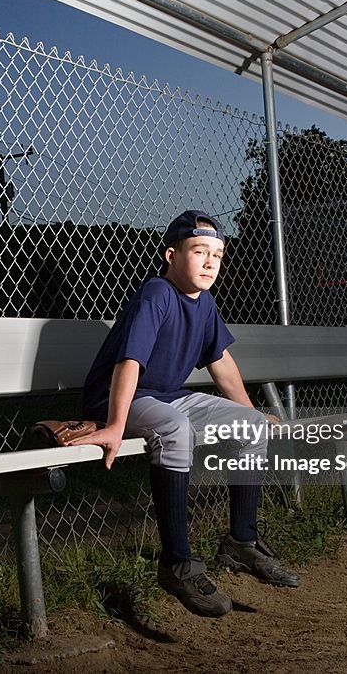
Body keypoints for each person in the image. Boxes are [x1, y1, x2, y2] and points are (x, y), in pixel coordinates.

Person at [67, 209, 299, 618]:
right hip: (117, 396)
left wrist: (249, 411)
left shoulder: (204, 302)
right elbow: (130, 361)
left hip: (166, 396)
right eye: (199, 251)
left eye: (218, 254)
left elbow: (221, 362)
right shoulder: (157, 293)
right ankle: (176, 562)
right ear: (171, 255)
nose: (210, 261)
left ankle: (241, 542)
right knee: (175, 429)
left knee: (249, 427)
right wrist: (115, 425)